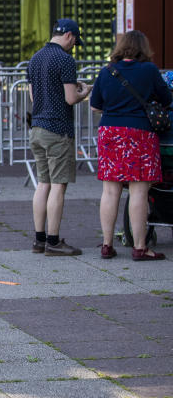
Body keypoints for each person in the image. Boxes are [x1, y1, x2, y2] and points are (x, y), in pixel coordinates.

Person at [92, 30, 171, 262]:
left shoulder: (106, 72)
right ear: (142, 48)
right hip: (140, 133)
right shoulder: (149, 70)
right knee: (139, 190)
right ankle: (139, 247)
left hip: (110, 132)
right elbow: (167, 99)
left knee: (110, 190)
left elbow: (95, 105)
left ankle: (106, 244)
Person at [27, 19, 92, 257]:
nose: (74, 46)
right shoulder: (65, 60)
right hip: (58, 130)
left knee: (42, 184)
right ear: (69, 36)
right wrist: (84, 92)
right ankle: (54, 241)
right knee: (57, 185)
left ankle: (39, 239)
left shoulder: (35, 58)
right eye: (75, 41)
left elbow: (34, 97)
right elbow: (70, 98)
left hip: (37, 128)